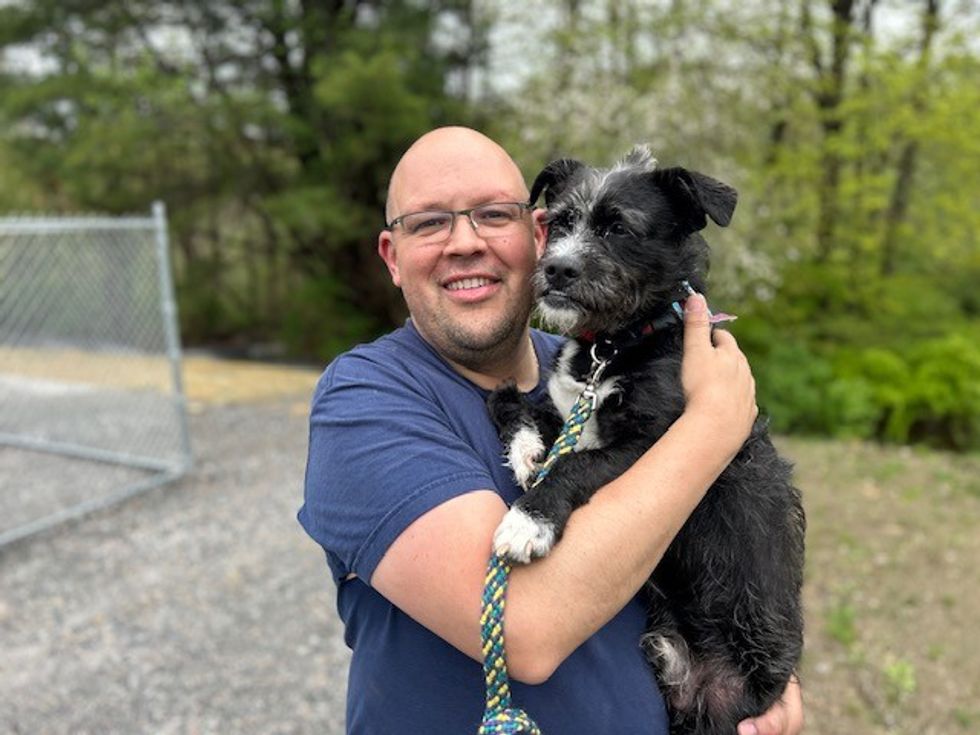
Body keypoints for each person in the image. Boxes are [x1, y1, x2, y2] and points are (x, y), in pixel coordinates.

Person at [298, 126, 804, 734]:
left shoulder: (592, 359)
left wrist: (772, 678)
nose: (465, 242)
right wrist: (715, 425)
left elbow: (725, 530)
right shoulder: (365, 399)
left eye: (493, 214)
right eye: (429, 223)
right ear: (392, 257)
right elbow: (522, 631)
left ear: (535, 235)